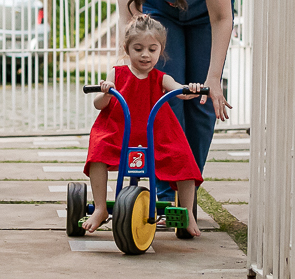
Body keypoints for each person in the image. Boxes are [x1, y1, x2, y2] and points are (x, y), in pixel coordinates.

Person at [112, 0, 233, 200]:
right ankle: (165, 195)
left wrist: (214, 80)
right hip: (162, 17)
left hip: (206, 17)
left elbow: (221, 17)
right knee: (165, 98)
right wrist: (132, 75)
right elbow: (129, 22)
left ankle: (187, 189)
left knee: (201, 100)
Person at [83, 15, 204, 236]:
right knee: (98, 149)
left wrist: (192, 89)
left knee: (183, 156)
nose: (145, 54)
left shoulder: (161, 78)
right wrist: (107, 92)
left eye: (152, 49)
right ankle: (100, 208)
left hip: (155, 135)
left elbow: (181, 91)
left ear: (160, 50)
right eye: (138, 48)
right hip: (120, 132)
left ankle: (187, 212)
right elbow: (98, 105)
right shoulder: (117, 74)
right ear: (127, 48)